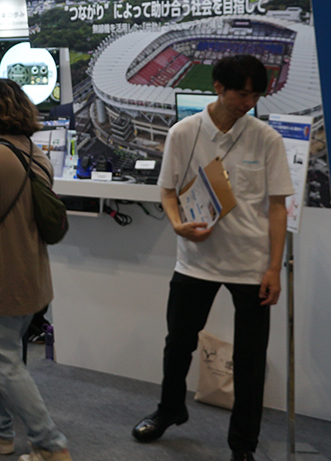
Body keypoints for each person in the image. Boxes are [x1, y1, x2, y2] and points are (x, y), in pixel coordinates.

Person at [131, 55, 291, 461]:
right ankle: (169, 409)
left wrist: (274, 268)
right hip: (195, 260)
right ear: (218, 87)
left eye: (256, 96)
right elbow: (168, 190)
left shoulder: (266, 138)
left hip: (251, 265)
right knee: (178, 344)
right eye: (243, 94)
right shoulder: (183, 132)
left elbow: (277, 208)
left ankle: (243, 444)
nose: (249, 103)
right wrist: (176, 225)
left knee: (250, 360)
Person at [0, 77, 71, 461]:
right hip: (34, 278)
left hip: (0, 281)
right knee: (6, 357)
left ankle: (50, 443)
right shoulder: (37, 155)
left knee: (5, 364)